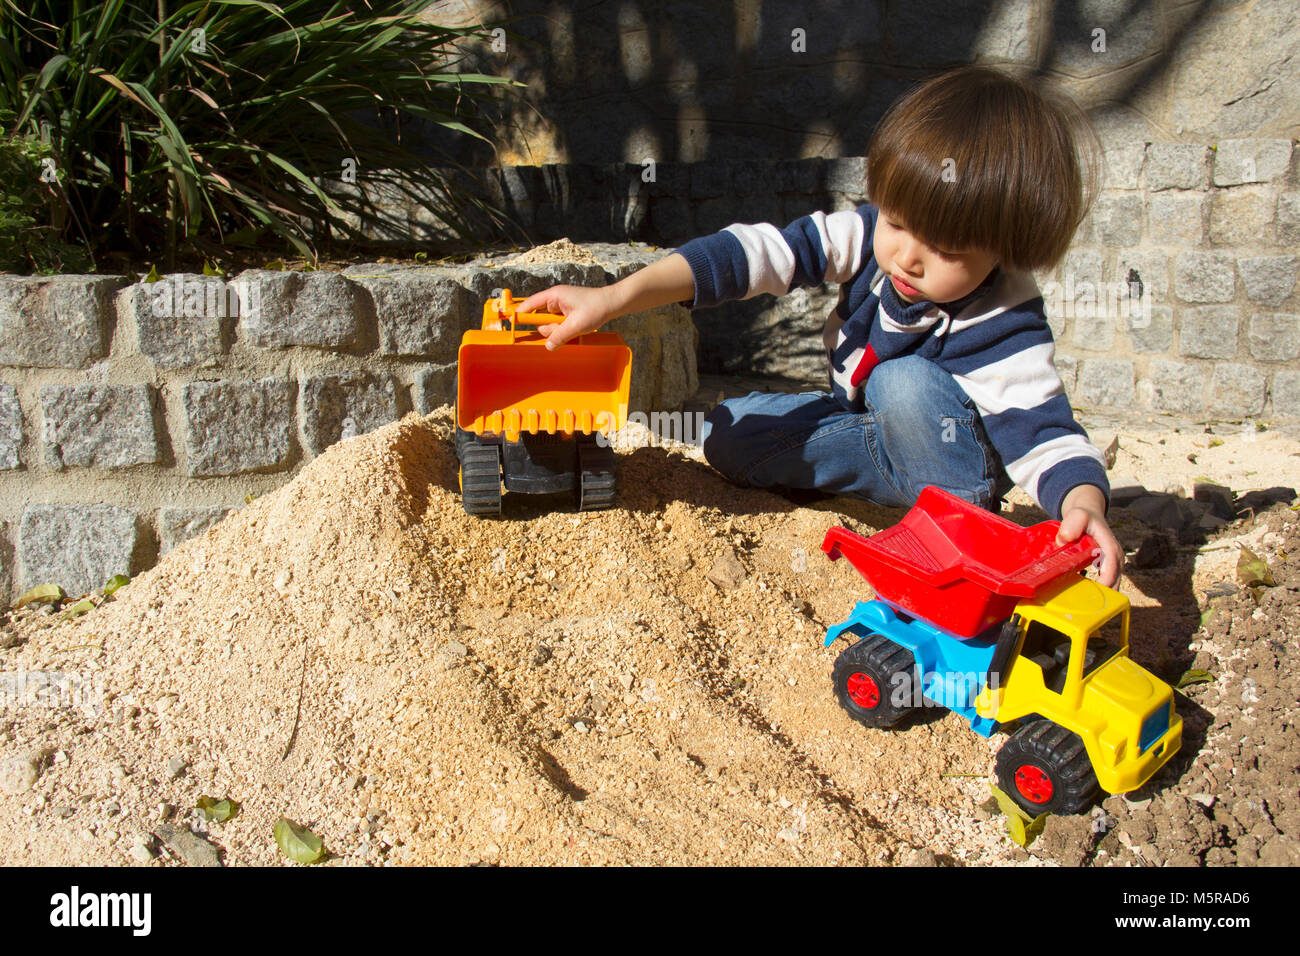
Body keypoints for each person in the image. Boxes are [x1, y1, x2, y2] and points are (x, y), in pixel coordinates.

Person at [516, 65, 1123, 586]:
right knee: (728, 432)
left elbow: (1045, 430)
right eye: (900, 223)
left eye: (947, 249)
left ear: (1005, 249)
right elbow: (750, 256)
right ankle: (882, 485)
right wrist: (615, 299)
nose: (909, 256)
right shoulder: (867, 237)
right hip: (868, 433)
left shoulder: (1002, 315)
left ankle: (949, 523)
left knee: (904, 382)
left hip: (948, 460)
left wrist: (1083, 504)